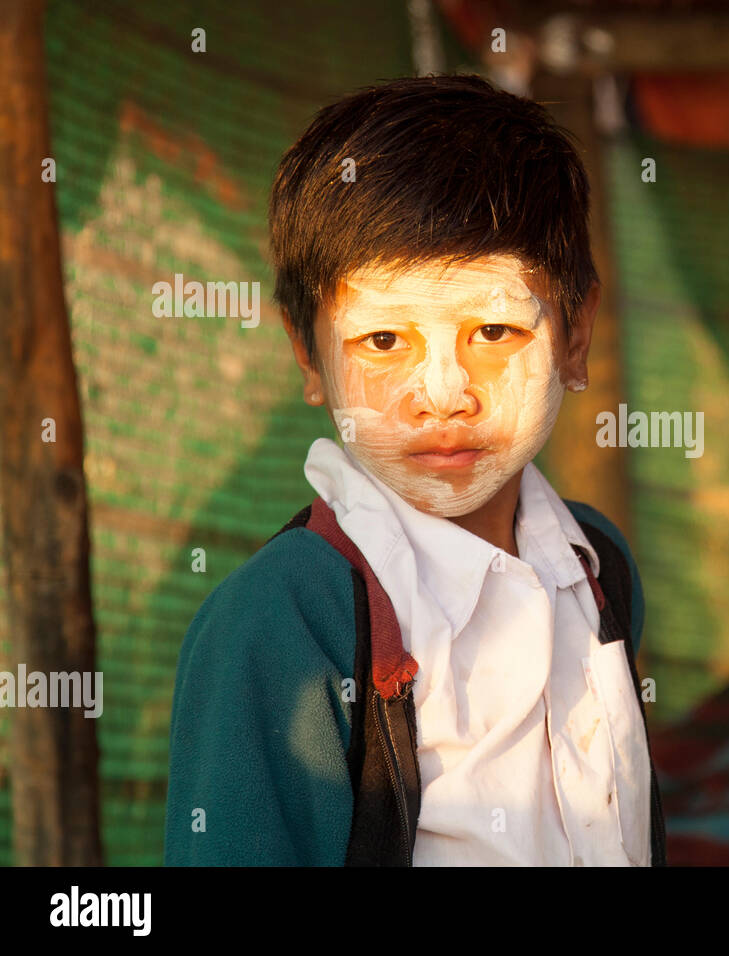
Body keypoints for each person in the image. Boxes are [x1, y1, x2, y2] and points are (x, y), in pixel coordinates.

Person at [164, 73, 666, 866]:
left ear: (575, 337)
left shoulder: (597, 569)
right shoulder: (282, 622)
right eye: (385, 342)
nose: (443, 395)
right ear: (310, 357)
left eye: (495, 331)